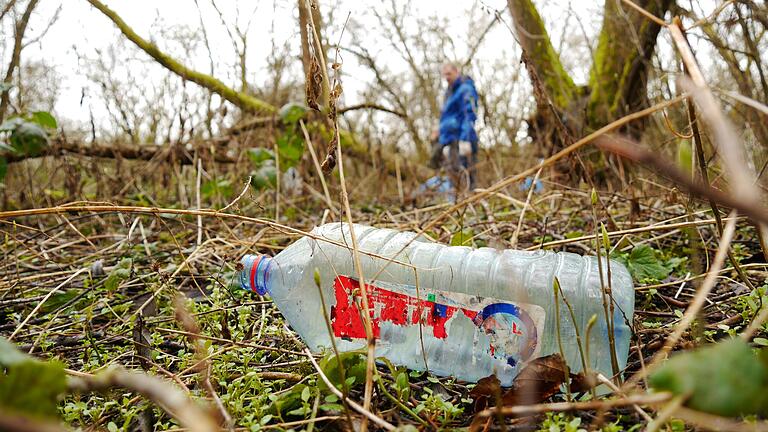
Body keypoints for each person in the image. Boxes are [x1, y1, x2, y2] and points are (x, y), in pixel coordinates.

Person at [431, 63, 479, 192]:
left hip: (462, 139)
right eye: (444, 75)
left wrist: (466, 139)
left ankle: (472, 203)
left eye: (449, 74)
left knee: (468, 176)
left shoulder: (465, 88)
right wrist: (439, 132)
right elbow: (446, 117)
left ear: (456, 71)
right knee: (453, 177)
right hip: (450, 141)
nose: (446, 78)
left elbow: (469, 113)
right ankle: (457, 207)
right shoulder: (448, 93)